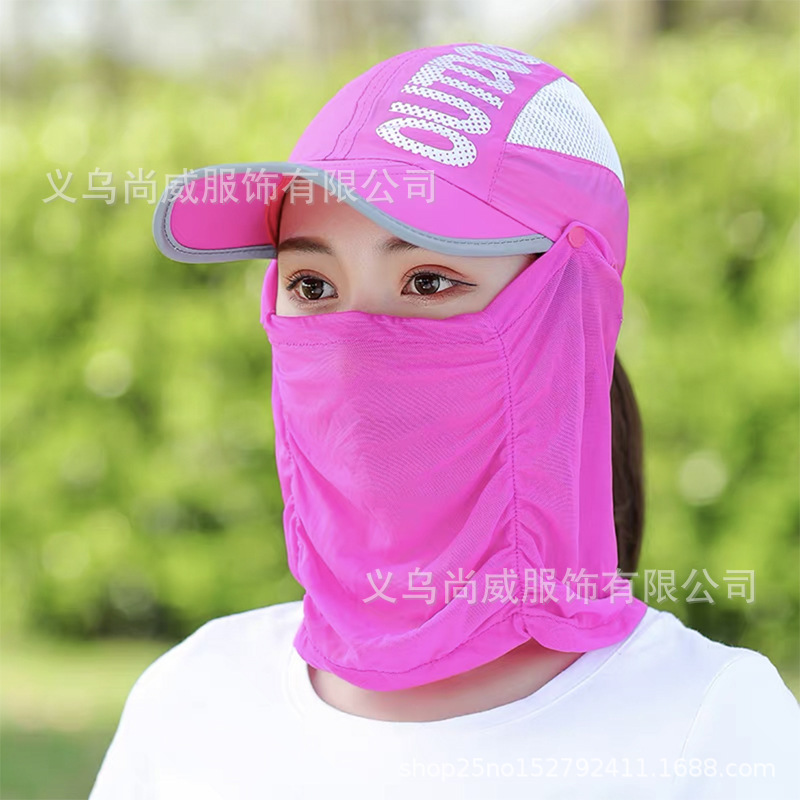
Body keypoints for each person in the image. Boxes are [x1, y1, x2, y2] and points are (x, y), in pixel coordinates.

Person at [90, 42, 799, 799]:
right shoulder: (192, 701)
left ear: (568, 309)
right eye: (312, 285)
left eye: (428, 280)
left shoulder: (712, 724)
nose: (352, 349)